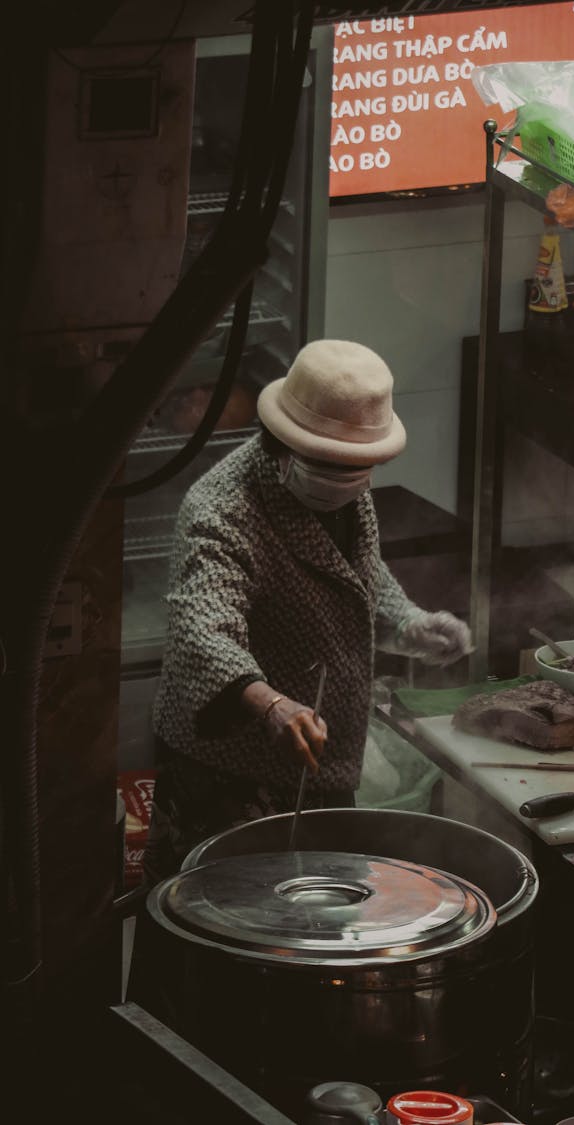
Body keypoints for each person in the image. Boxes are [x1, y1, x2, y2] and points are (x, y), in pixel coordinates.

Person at [144, 338, 473, 883]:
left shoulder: (343, 488)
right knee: (228, 924)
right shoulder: (222, 510)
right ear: (281, 442)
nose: (347, 477)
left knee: (316, 925)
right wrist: (270, 704)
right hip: (230, 768)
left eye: (359, 465)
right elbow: (202, 627)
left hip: (317, 759)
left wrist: (409, 622)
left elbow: (357, 574)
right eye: (330, 463)